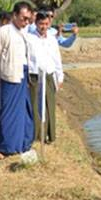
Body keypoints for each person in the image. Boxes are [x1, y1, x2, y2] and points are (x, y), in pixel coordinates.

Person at [0, 2, 34, 159]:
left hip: (22, 75)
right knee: (9, 113)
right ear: (15, 15)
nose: (26, 22)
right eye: (23, 18)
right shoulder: (4, 31)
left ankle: (23, 143)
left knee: (24, 111)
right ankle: (4, 147)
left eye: (28, 19)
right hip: (9, 76)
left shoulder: (23, 32)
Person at [27, 11, 64, 144]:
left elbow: (57, 59)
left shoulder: (52, 39)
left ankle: (50, 135)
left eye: (46, 24)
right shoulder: (29, 38)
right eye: (41, 23)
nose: (43, 26)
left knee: (49, 105)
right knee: (35, 105)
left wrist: (60, 77)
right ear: (36, 23)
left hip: (49, 75)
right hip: (34, 76)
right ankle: (36, 135)